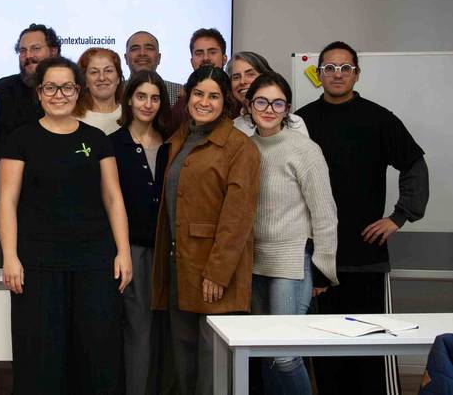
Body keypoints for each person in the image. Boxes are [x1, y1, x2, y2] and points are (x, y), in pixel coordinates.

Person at [295, 41, 429, 395]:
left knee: (370, 354)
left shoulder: (378, 118)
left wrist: (399, 217)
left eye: (345, 68)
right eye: (329, 67)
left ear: (357, 73)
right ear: (318, 73)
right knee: (323, 355)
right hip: (317, 260)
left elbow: (414, 163)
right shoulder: (301, 121)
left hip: (365, 259)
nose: (337, 74)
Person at [0, 56, 133, 394]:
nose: (59, 94)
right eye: (50, 87)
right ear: (39, 93)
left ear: (79, 91)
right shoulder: (19, 140)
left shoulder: (98, 140)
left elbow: (114, 199)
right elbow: (7, 203)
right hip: (38, 261)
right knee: (40, 354)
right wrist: (10, 256)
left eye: (68, 87)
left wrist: (123, 252)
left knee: (97, 350)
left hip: (94, 260)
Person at [150, 65, 260, 395]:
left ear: (225, 101)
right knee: (183, 361)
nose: (204, 102)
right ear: (187, 96)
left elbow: (238, 217)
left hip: (214, 270)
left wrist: (218, 272)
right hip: (179, 264)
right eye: (199, 94)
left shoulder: (240, 147)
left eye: (213, 96)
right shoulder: (180, 138)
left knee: (213, 365)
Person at [245, 72, 340, 395]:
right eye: (261, 101)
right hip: (253, 263)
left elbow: (325, 213)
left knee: (285, 356)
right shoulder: (243, 149)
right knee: (264, 353)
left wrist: (323, 268)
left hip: (291, 263)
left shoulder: (305, 149)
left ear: (287, 109)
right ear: (249, 106)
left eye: (278, 103)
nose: (269, 109)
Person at [109, 70, 172, 395]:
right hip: (131, 251)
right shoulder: (112, 145)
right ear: (129, 99)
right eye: (141, 96)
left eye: (155, 97)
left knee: (166, 334)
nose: (148, 104)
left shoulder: (172, 144)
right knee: (138, 330)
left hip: (170, 253)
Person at [0, 23, 61, 156]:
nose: (28, 56)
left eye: (36, 48)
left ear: (53, 50)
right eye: (22, 50)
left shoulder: (72, 92)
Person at [229, 51, 309, 135]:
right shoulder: (233, 127)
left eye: (250, 74)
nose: (242, 81)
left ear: (266, 78)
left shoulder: (295, 123)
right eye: (236, 77)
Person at [123, 30, 183, 105]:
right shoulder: (114, 92)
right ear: (126, 58)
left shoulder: (179, 93)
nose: (142, 53)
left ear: (159, 58)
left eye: (149, 48)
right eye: (135, 49)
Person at [74, 47, 124, 135]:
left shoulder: (131, 116)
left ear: (118, 78)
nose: (102, 78)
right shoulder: (73, 119)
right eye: (94, 72)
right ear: (84, 80)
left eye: (108, 71)